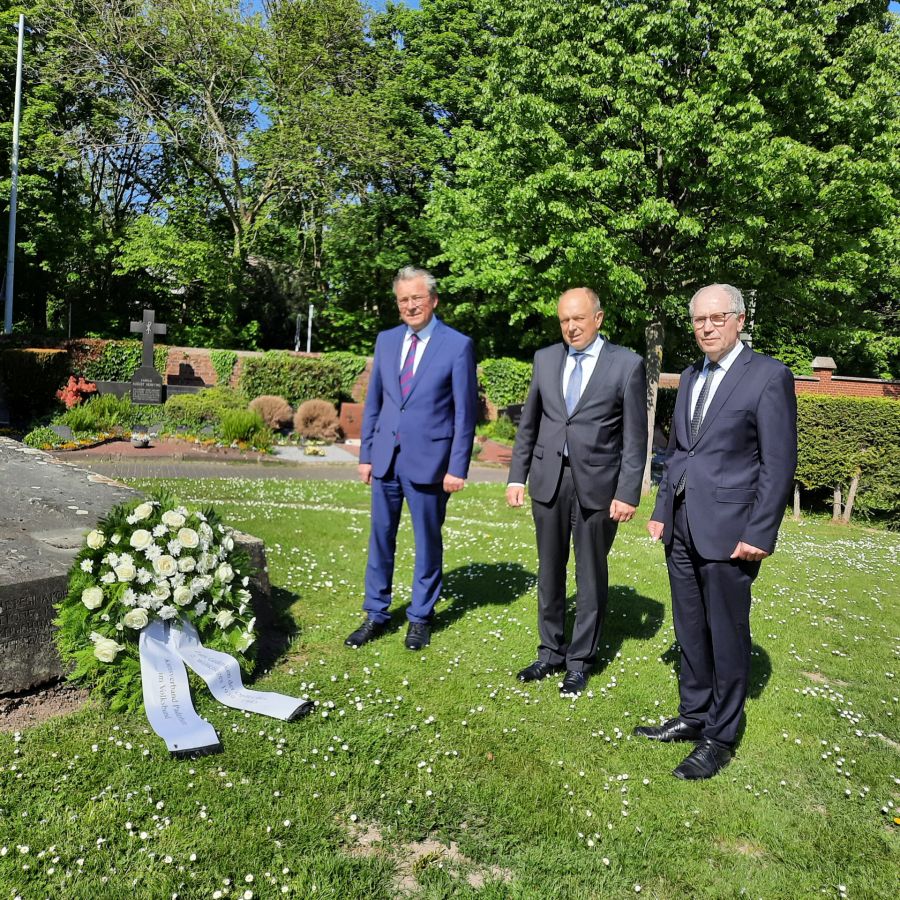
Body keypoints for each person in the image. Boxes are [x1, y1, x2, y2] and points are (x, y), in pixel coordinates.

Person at [634, 283, 797, 780]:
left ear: (740, 320)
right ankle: (692, 713)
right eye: (700, 320)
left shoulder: (768, 376)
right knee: (689, 626)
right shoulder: (689, 375)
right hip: (682, 526)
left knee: (726, 633)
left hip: (732, 532)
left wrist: (760, 532)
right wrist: (663, 508)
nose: (707, 327)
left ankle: (720, 737)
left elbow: (778, 462)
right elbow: (681, 451)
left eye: (717, 318)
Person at [506, 287, 647, 697]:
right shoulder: (545, 359)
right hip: (549, 481)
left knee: (590, 576)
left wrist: (627, 492)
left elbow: (635, 440)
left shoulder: (627, 365)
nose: (571, 327)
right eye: (564, 320)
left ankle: (580, 661)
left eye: (579, 319)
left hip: (599, 489)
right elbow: (529, 425)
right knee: (549, 571)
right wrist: (518, 477)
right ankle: (549, 651)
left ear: (598, 319)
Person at [345, 266, 478, 652]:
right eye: (403, 299)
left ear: (433, 300)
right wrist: (367, 454)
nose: (410, 305)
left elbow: (464, 414)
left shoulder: (457, 345)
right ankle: (376, 613)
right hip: (385, 458)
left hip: (432, 463)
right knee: (380, 539)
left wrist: (457, 467)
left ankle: (420, 616)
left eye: (417, 298)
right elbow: (376, 403)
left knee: (427, 542)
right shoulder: (386, 341)